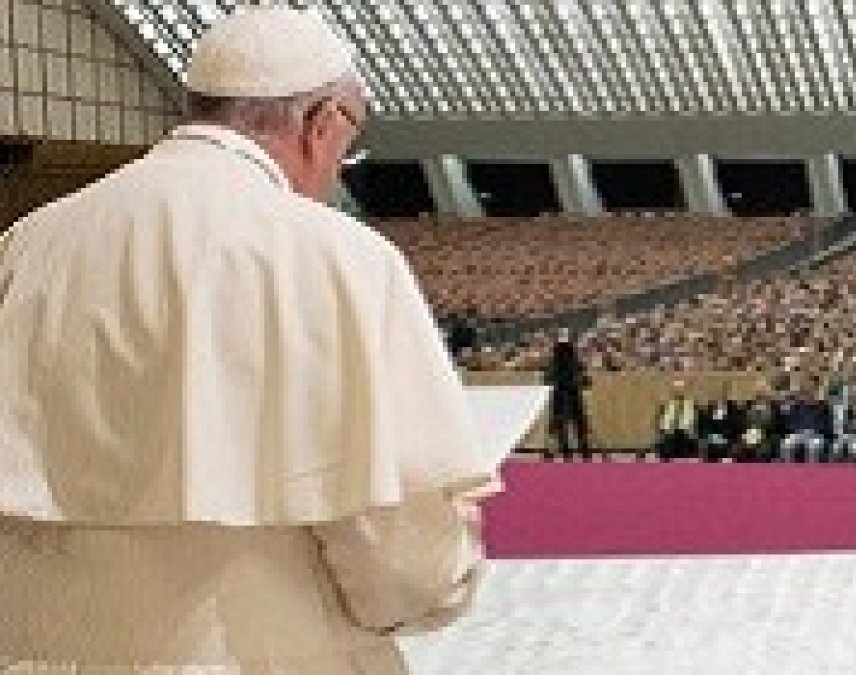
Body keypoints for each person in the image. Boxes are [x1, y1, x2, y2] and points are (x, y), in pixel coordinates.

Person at [0, 9, 496, 673]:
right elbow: (398, 564)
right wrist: (449, 564)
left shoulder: (30, 243)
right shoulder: (336, 257)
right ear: (322, 122)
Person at [544, 331, 593, 461]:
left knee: (569, 425)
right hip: (568, 395)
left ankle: (574, 453)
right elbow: (587, 381)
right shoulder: (572, 362)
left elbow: (546, 380)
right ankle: (582, 453)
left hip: (565, 396)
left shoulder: (557, 362)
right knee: (573, 425)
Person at [653, 380, 700, 462]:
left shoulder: (690, 405)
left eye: (682, 390)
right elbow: (663, 423)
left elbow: (692, 424)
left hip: (685, 437)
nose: (679, 393)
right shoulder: (668, 406)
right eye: (677, 390)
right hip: (670, 436)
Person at [698, 382, 743, 463]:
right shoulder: (705, 413)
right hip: (710, 444)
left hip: (727, 445)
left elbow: (736, 430)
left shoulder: (734, 413)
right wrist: (712, 437)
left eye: (722, 396)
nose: (719, 399)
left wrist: (724, 438)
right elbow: (703, 430)